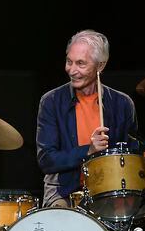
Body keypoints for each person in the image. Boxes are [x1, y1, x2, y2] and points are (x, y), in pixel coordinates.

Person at [36, 29, 138, 208]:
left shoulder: (122, 104)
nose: (72, 70)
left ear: (100, 66)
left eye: (81, 64)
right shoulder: (51, 101)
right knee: (62, 221)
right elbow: (47, 160)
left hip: (109, 189)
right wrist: (88, 150)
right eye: (69, 62)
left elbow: (132, 154)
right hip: (63, 190)